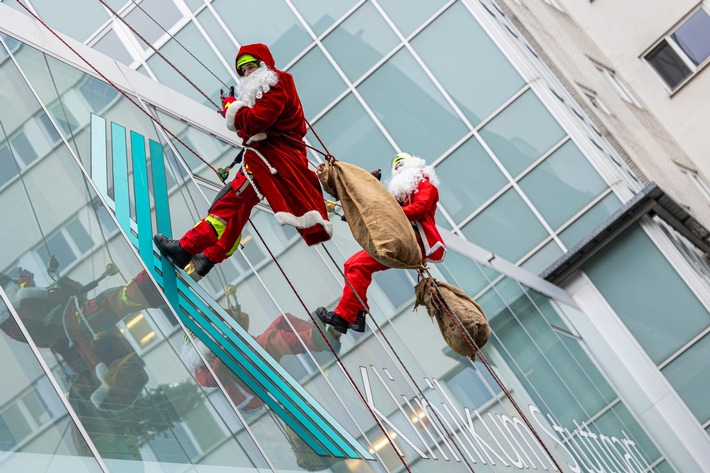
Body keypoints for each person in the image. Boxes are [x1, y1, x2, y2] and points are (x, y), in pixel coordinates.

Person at [154, 43, 332, 277]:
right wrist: (236, 113)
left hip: (270, 162)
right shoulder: (267, 89)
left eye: (251, 66)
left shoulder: (277, 82)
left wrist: (231, 107)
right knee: (237, 210)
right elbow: (250, 128)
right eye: (243, 70)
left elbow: (256, 122)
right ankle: (208, 257)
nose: (248, 73)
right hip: (267, 160)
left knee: (227, 205)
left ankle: (186, 248)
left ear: (264, 64)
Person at [316, 152, 446, 334]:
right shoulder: (398, 198)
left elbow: (419, 209)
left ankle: (345, 316)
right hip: (400, 238)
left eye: (402, 163)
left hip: (414, 241)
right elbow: (380, 210)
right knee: (352, 265)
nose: (399, 167)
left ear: (414, 165)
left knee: (358, 265)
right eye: (396, 166)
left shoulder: (426, 186)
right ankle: (356, 314)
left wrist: (387, 213)